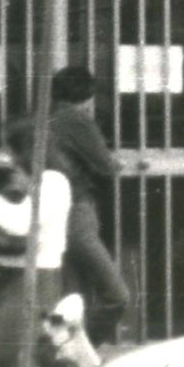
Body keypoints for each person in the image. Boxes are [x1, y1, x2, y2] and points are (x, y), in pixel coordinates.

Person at [0, 117, 71, 367]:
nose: (7, 156)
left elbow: (21, 223)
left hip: (36, 275)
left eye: (12, 149)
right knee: (5, 357)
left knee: (24, 356)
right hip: (9, 270)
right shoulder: (25, 178)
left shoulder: (54, 181)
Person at [44, 68, 131, 346]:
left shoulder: (49, 118)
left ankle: (65, 358)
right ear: (86, 95)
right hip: (78, 212)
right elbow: (106, 164)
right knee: (116, 294)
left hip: (55, 214)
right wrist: (118, 162)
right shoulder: (76, 120)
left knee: (72, 294)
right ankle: (79, 348)